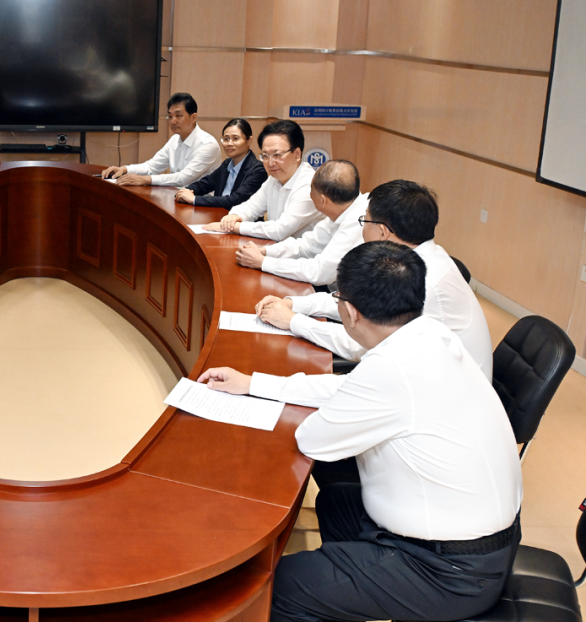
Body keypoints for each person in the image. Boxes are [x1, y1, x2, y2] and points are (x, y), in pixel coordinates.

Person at [198, 242, 522, 622]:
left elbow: (312, 439)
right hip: (474, 543)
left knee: (278, 589)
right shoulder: (429, 334)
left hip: (448, 570)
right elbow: (349, 388)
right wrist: (253, 383)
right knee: (336, 502)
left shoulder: (393, 367)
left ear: (350, 312)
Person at [253, 179, 493, 380]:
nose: (362, 229)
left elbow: (361, 344)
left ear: (383, 231)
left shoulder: (424, 282)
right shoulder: (410, 260)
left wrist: (293, 321)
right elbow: (355, 301)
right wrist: (294, 304)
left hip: (445, 395)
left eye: (364, 221)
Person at [235, 159, 367, 287]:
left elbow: (319, 272)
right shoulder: (341, 210)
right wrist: (264, 251)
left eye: (311, 190)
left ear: (323, 200)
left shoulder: (359, 221)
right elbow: (305, 246)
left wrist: (263, 262)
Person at [205, 119, 321, 240]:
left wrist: (237, 227)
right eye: (265, 155)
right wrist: (234, 216)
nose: (270, 163)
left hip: (304, 252)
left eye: (277, 155)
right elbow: (251, 207)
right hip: (276, 248)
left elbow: (280, 230)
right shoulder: (274, 179)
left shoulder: (310, 185)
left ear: (297, 154)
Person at [102, 93, 221, 187]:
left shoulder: (208, 145)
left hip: (202, 202)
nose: (173, 121)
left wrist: (144, 179)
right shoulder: (174, 140)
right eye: (170, 116)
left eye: (178, 115)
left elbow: (183, 178)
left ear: (193, 117)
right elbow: (151, 167)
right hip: (176, 196)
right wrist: (124, 169)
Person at [174, 118, 266, 208]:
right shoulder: (227, 164)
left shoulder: (258, 170)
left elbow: (236, 200)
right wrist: (185, 191)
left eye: (235, 138)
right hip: (219, 214)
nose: (229, 143)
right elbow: (205, 184)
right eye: (226, 139)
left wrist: (194, 199)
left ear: (249, 140)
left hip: (240, 217)